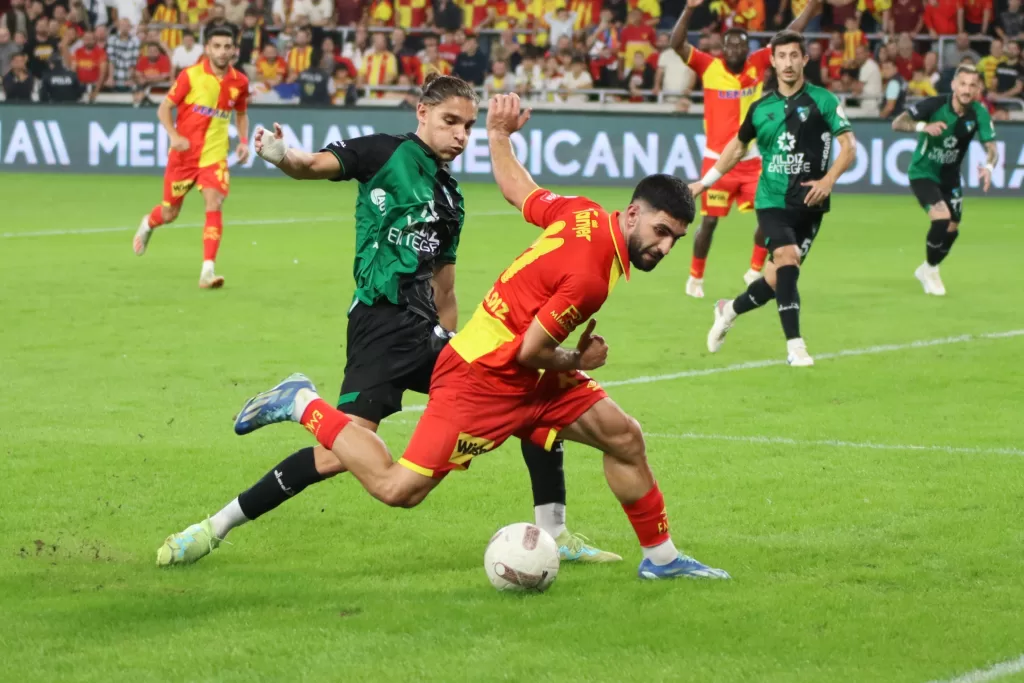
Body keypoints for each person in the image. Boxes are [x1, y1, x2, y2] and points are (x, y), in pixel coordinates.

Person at [224, 92, 729, 582]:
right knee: (399, 488)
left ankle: (661, 559)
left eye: (674, 239)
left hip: (521, 370)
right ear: (634, 214)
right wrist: (578, 359)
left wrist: (498, 134)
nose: (665, 248)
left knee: (623, 436)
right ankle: (302, 403)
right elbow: (533, 350)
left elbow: (519, 190)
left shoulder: (586, 214)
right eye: (661, 232)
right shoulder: (591, 277)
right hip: (482, 375)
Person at [156, 77, 621, 568]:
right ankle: (215, 525)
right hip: (378, 325)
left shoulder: (451, 197)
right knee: (338, 454)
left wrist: (455, 345)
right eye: (450, 121)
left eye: (467, 126)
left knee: (527, 388)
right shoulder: (384, 152)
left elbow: (445, 287)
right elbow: (310, 165)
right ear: (422, 113)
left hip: (428, 333)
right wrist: (280, 155)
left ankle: (554, 532)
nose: (460, 135)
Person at [695, 30, 857, 367]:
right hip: (772, 201)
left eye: (794, 55)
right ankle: (795, 346)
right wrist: (704, 183)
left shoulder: (824, 101)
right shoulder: (761, 108)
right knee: (787, 257)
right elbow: (736, 149)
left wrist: (829, 180)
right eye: (781, 56)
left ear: (804, 60)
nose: (788, 62)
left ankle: (728, 310)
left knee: (775, 280)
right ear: (772, 61)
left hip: (811, 204)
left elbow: (848, 146)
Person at [669, 0, 821, 300]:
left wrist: (811, 7)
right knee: (709, 222)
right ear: (723, 49)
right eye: (730, 45)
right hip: (718, 161)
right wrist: (689, 9)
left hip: (752, 159)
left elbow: (789, 34)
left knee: (770, 215)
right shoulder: (708, 66)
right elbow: (676, 43)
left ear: (746, 48)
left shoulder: (758, 62)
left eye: (741, 45)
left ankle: (753, 270)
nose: (736, 49)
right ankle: (695, 277)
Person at [131, 27, 250, 290]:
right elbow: (164, 108)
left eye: (227, 46)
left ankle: (207, 270)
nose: (222, 51)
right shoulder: (191, 75)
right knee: (169, 213)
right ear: (207, 49)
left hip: (214, 155)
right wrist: (173, 135)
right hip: (183, 157)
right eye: (217, 46)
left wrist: (243, 141)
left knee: (214, 202)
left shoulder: (240, 82)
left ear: (233, 50)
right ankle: (148, 223)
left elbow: (241, 114)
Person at [891, 65, 997, 296]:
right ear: (953, 85)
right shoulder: (935, 104)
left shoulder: (979, 112)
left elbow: (991, 147)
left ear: (978, 89)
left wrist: (989, 166)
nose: (966, 90)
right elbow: (897, 122)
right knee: (941, 218)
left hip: (950, 178)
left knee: (952, 229)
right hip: (923, 173)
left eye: (972, 85)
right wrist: (923, 126)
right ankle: (931, 270)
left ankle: (928, 268)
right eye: (963, 84)